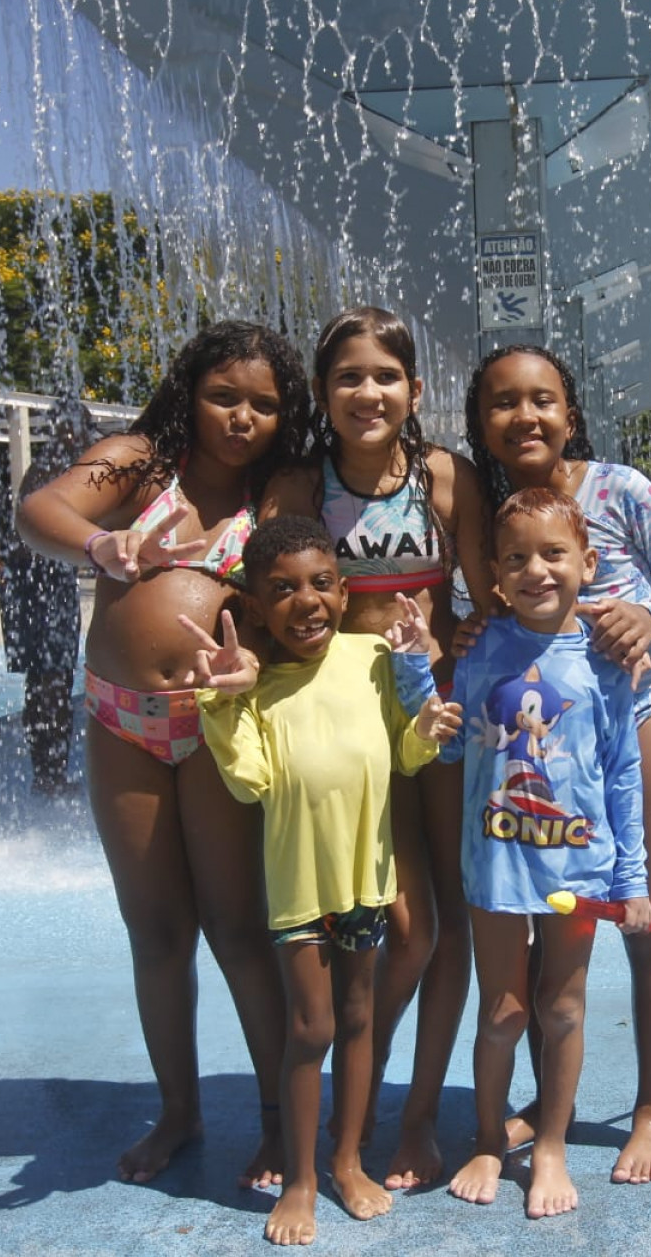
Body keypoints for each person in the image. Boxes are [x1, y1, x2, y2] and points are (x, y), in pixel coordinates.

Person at [17, 321, 310, 1187]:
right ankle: (179, 1110)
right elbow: (40, 509)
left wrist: (261, 655)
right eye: (225, 396)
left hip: (218, 723)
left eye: (264, 403)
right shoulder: (138, 463)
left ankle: (271, 1117)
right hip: (121, 723)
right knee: (155, 932)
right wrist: (102, 544)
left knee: (238, 929)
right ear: (189, 391)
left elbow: (302, 597)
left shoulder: (277, 488)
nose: (243, 417)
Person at [461, 343, 651, 1185]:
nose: (525, 415)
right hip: (541, 733)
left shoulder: (619, 488)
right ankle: (548, 1107)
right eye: (503, 402)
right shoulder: (492, 509)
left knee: (642, 905)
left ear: (570, 412)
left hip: (634, 710)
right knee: (543, 917)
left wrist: (650, 616)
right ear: (481, 422)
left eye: (542, 399)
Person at [186, 517, 460, 1246]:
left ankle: (346, 1159)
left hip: (368, 881)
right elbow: (248, 783)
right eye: (282, 590)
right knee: (312, 1026)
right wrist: (219, 701)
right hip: (300, 888)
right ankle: (302, 1177)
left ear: (342, 592)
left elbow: (402, 754)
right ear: (255, 606)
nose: (304, 601)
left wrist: (426, 725)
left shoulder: (372, 657)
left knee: (361, 1017)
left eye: (318, 583)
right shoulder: (261, 688)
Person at [267, 306, 492, 1189]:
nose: (369, 392)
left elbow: (486, 593)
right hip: (343, 732)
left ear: (415, 389)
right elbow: (267, 594)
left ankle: (419, 1114)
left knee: (451, 930)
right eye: (349, 377)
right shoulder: (299, 483)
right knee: (407, 928)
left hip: (432, 717)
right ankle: (352, 1088)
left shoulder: (443, 476)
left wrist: (465, 636)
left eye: (386, 376)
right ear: (324, 394)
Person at [436, 488, 651, 1218]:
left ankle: (552, 1142)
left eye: (554, 553)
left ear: (587, 563)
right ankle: (492, 1137)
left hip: (579, 869)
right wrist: (417, 679)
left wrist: (632, 879)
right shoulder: (479, 651)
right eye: (518, 558)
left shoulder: (605, 661)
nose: (538, 570)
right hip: (495, 863)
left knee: (561, 1006)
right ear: (495, 576)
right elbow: (443, 746)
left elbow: (623, 771)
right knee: (501, 1010)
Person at [1, 398, 97, 794]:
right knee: (51, 682)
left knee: (45, 682)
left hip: (33, 584)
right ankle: (49, 776)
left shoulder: (47, 466)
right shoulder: (56, 467)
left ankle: (48, 774)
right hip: (40, 585)